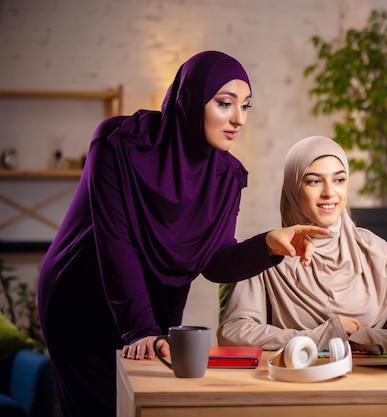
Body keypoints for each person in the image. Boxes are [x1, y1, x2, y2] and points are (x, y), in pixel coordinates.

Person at [37, 51, 328, 417]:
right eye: (225, 104)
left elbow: (215, 262)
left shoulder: (227, 176)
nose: (239, 119)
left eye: (246, 106)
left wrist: (271, 242)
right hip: (82, 297)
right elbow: (116, 243)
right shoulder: (118, 142)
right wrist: (141, 329)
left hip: (153, 305)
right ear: (189, 99)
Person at [217, 136, 387, 354]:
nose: (329, 192)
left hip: (374, 387)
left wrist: (375, 339)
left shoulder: (376, 252)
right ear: (293, 188)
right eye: (314, 181)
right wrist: (318, 337)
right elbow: (232, 332)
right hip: (297, 385)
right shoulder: (271, 251)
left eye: (339, 180)